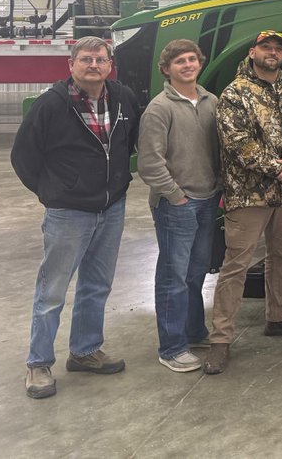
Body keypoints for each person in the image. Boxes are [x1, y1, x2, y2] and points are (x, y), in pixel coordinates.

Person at [12, 36, 142, 399]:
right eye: (85, 59)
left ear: (109, 64)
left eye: (100, 59)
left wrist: (116, 185)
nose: (93, 65)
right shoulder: (51, 104)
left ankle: (85, 351)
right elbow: (24, 156)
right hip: (68, 212)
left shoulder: (123, 97)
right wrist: (53, 191)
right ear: (71, 65)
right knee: (52, 291)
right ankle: (38, 363)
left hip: (111, 207)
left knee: (97, 286)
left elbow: (127, 142)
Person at [206, 30, 282, 375]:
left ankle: (280, 317)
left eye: (278, 48)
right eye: (266, 47)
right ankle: (220, 340)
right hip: (249, 194)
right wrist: (277, 168)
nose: (272, 52)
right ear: (253, 51)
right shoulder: (234, 93)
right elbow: (236, 142)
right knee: (236, 264)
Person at [137, 39, 222, 373]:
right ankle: (171, 348)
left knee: (196, 273)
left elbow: (219, 152)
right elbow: (149, 163)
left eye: (192, 59)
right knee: (173, 276)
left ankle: (194, 331)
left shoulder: (210, 101)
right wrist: (176, 195)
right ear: (167, 69)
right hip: (177, 205)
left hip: (207, 199)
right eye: (179, 62)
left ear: (199, 63)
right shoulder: (159, 109)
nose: (187, 65)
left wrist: (219, 188)